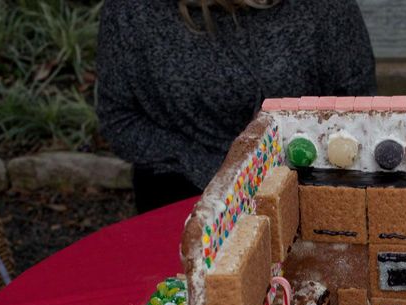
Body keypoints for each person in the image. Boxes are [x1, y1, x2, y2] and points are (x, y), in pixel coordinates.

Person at [96, 0, 376, 213]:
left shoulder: (325, 8)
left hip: (311, 190)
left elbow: (359, 111)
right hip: (183, 198)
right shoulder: (133, 11)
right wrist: (223, 175)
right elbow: (119, 119)